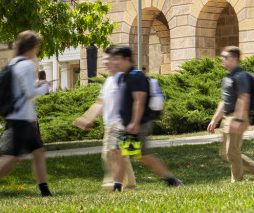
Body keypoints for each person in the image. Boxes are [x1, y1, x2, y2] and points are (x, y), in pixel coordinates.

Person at [0, 31, 52, 200]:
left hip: (14, 116)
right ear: (31, 47)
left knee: (35, 153)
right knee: (17, 156)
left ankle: (45, 192)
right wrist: (45, 87)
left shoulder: (14, 63)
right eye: (36, 47)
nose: (37, 51)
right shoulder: (28, 65)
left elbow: (20, 90)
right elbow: (29, 92)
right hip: (22, 117)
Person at [107, 45, 182, 190]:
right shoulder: (123, 77)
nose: (114, 62)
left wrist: (134, 122)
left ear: (127, 59)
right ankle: (117, 187)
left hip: (138, 124)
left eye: (117, 59)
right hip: (126, 123)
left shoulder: (136, 76)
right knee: (119, 153)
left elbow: (139, 101)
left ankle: (171, 180)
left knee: (142, 155)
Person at [74, 49, 137, 190]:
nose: (105, 62)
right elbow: (100, 103)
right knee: (118, 154)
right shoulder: (108, 80)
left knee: (113, 153)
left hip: (120, 123)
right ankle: (128, 184)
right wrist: (87, 118)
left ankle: (115, 183)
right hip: (109, 124)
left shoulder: (123, 78)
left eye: (108, 59)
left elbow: (134, 99)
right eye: (104, 59)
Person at [206, 46, 254, 182]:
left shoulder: (240, 76)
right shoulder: (228, 77)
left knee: (232, 152)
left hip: (237, 116)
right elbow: (225, 101)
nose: (222, 60)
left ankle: (237, 182)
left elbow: (243, 97)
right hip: (228, 116)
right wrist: (214, 120)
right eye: (222, 57)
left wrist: (238, 120)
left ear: (235, 59)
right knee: (227, 153)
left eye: (225, 57)